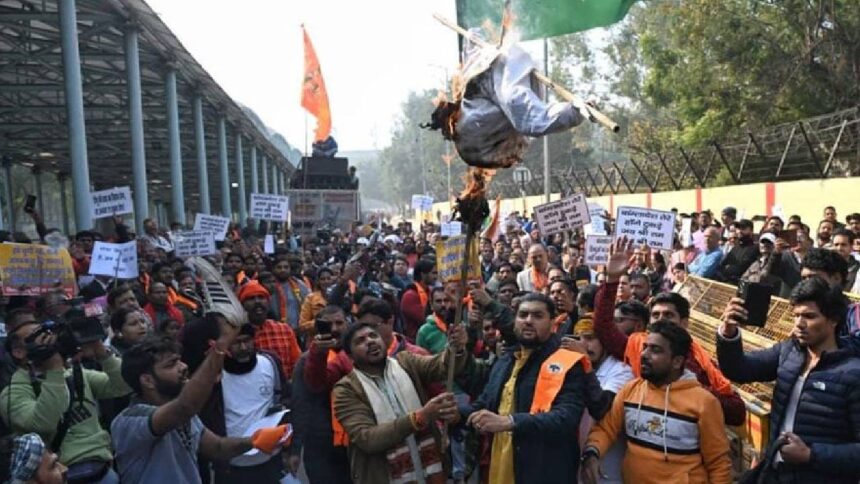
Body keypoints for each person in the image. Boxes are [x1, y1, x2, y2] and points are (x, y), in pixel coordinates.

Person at [718, 278, 860, 483]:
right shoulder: (788, 351)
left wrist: (811, 455)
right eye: (796, 315)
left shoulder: (852, 373)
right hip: (776, 475)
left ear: (833, 319)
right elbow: (739, 370)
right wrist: (729, 333)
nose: (799, 324)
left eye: (809, 316)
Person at [593, 237, 746, 426]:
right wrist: (612, 280)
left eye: (668, 315)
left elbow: (737, 412)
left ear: (684, 323)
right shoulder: (638, 346)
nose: (661, 321)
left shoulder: (700, 359)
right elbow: (603, 328)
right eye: (655, 315)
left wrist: (691, 390)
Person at [111, 328, 289, 484]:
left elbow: (218, 447)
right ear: (147, 381)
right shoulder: (131, 421)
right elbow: (185, 407)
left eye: (179, 360)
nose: (183, 367)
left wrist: (254, 440)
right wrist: (220, 348)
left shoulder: (184, 415)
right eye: (171, 364)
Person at [582, 321, 732, 484]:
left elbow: (718, 464)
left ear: (677, 361)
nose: (644, 354)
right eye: (645, 347)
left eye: (655, 350)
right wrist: (592, 453)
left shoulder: (704, 403)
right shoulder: (631, 390)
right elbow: (606, 428)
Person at [464, 293, 591, 484]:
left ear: (552, 322)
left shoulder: (567, 361)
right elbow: (486, 403)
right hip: (501, 467)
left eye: (538, 316)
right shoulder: (506, 360)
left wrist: (510, 422)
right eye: (523, 315)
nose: (529, 321)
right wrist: (456, 414)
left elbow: (565, 418)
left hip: (544, 471)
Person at [0, 314, 131, 483]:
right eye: (37, 336)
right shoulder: (13, 392)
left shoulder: (74, 374)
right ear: (18, 352)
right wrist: (54, 370)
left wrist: (102, 353)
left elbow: (122, 386)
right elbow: (42, 424)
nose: (48, 339)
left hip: (104, 472)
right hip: (60, 475)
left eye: (47, 334)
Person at [332, 322, 467, 484]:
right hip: (385, 476)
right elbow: (367, 438)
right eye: (360, 341)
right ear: (350, 356)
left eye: (373, 336)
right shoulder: (346, 390)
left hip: (430, 472)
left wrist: (455, 349)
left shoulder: (405, 361)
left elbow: (440, 367)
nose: (370, 341)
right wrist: (419, 417)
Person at [210, 324, 286, 483]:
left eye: (247, 341)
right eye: (236, 343)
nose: (243, 348)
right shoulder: (213, 374)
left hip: (270, 465)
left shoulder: (270, 364)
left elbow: (285, 400)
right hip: (231, 469)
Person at [567, 316, 634, 484]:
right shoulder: (575, 367)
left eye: (590, 338)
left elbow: (601, 407)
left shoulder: (622, 370)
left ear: (604, 341)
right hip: (578, 455)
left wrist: (585, 365)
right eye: (579, 339)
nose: (583, 345)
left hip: (606, 459)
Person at [298, 306, 353, 484]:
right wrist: (294, 449)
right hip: (322, 447)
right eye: (328, 325)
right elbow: (300, 402)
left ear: (348, 324)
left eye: (339, 323)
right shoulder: (307, 360)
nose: (335, 329)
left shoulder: (357, 354)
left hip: (357, 439)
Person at [238, 281, 301, 379]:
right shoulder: (236, 335)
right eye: (251, 298)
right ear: (242, 305)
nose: (257, 301)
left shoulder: (284, 329)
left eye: (261, 297)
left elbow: (297, 364)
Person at [269, 256, 310, 332]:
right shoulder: (269, 286)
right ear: (273, 269)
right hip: (276, 330)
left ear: (290, 269)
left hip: (298, 330)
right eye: (279, 267)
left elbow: (308, 305)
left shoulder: (299, 285)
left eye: (286, 267)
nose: (283, 270)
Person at [400, 259, 437, 341]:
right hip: (416, 341)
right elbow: (424, 319)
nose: (436, 277)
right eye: (433, 273)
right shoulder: (410, 296)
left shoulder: (429, 291)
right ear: (423, 274)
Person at [718, 219, 760, 284]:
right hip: (726, 283)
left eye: (743, 228)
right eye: (738, 228)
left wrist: (729, 267)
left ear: (751, 230)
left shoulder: (755, 248)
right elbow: (722, 265)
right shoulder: (735, 248)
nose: (739, 231)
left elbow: (741, 268)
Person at [298, 267, 334, 339]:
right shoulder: (311, 298)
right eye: (323, 279)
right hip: (316, 338)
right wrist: (320, 322)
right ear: (318, 281)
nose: (326, 281)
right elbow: (302, 325)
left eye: (328, 278)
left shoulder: (340, 296)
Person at [416, 288, 453, 355]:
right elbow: (421, 360)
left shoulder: (458, 325)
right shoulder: (424, 331)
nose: (443, 304)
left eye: (446, 300)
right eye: (438, 301)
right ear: (431, 305)